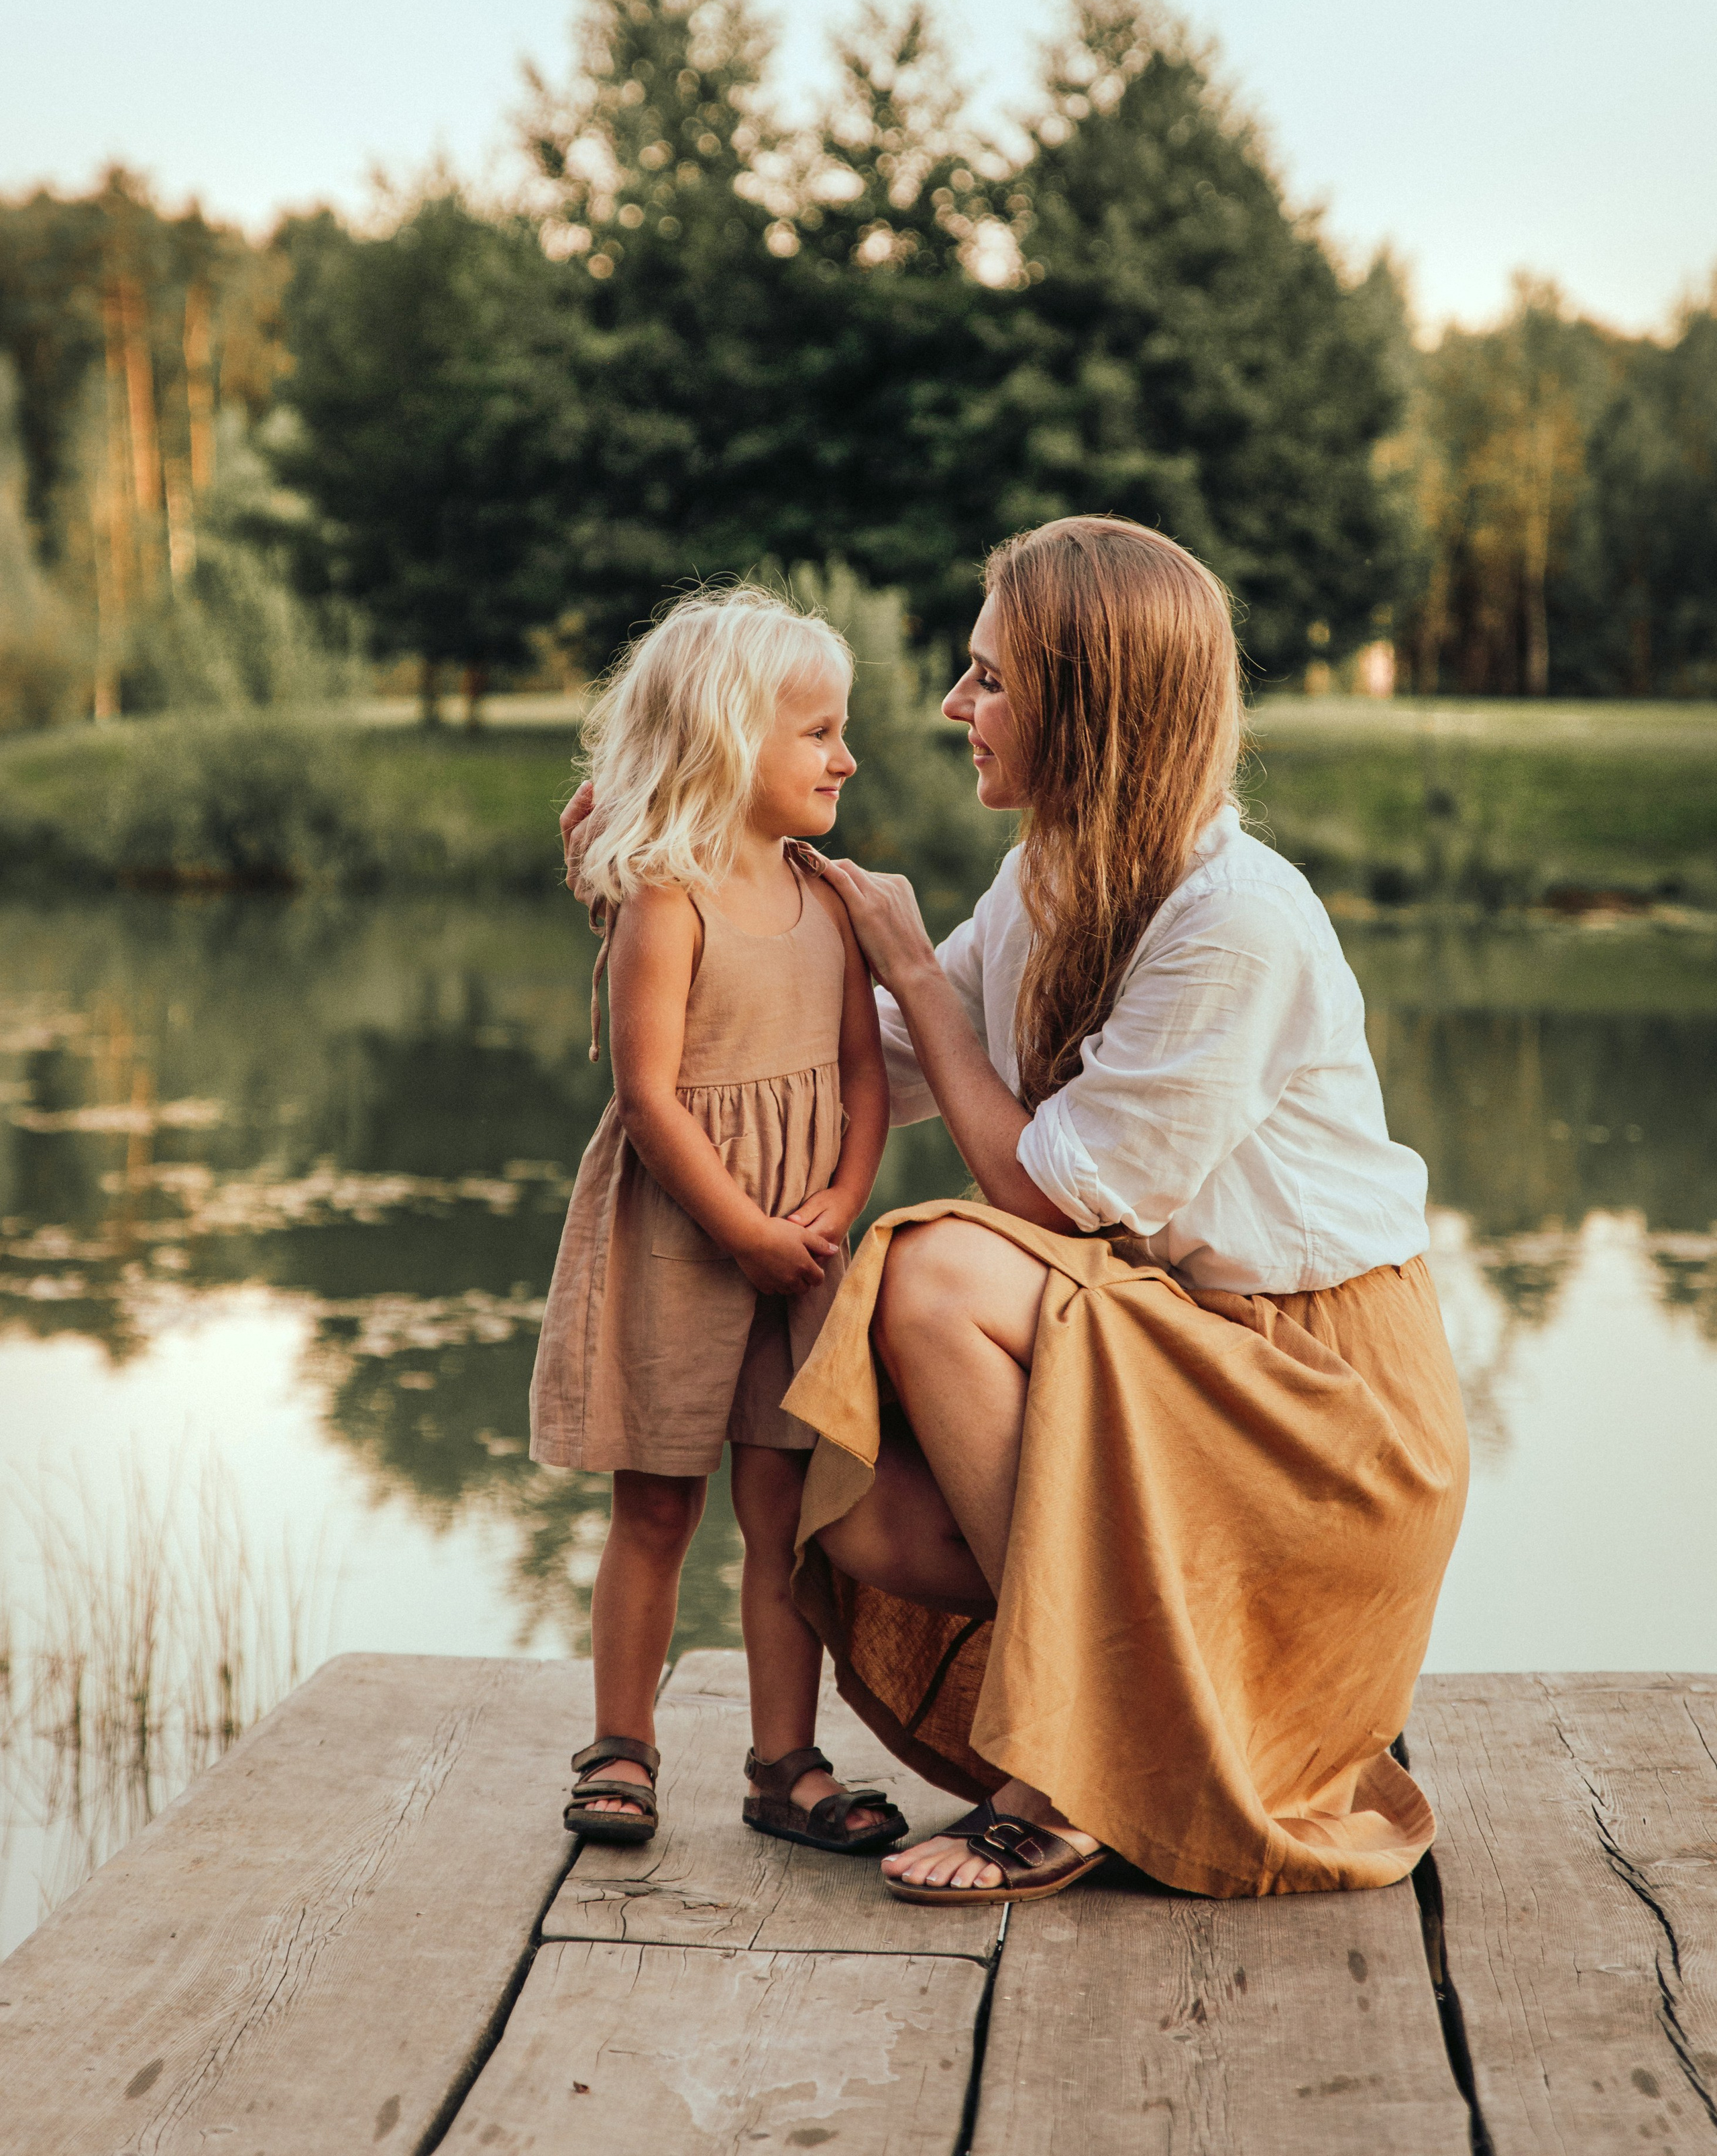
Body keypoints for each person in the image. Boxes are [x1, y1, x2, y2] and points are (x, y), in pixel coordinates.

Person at [561, 519, 1469, 1910]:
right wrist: (655, 891)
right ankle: (1124, 1718)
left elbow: (1040, 1184)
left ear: (1083, 706)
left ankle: (1076, 1774)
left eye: (987, 679)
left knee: (925, 1272)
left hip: (1314, 1400)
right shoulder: (1053, 873)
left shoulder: (1236, 922)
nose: (950, 709)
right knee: (845, 1507)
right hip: (1175, 1351)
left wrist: (922, 972)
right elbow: (873, 1050)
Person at [531, 586, 905, 1857]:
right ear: (727, 740)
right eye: (818, 733)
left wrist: (835, 1209)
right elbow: (645, 1094)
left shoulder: (832, 901)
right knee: (655, 1505)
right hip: (684, 1236)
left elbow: (866, 1074)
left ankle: (783, 1764)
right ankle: (622, 1746)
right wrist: (742, 1228)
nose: (845, 756)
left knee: (783, 1507)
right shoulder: (667, 898)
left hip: (798, 1245)